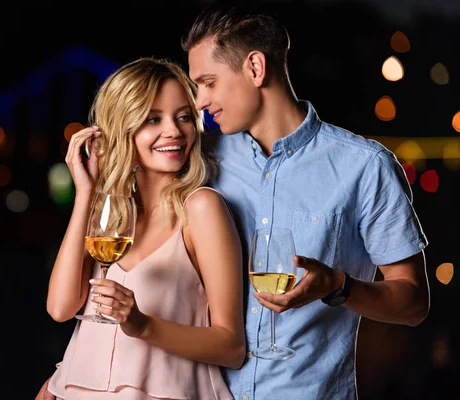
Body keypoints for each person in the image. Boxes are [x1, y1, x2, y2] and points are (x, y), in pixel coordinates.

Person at [181, 1, 431, 399]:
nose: (199, 101)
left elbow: (413, 302)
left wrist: (337, 285)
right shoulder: (202, 161)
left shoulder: (364, 167)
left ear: (255, 68)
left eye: (208, 82)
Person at [36, 57, 245, 399]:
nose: (174, 131)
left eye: (183, 117)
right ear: (123, 128)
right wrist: (86, 193)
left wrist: (142, 324)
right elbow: (60, 308)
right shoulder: (111, 217)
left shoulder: (202, 208)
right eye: (152, 119)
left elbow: (231, 347)